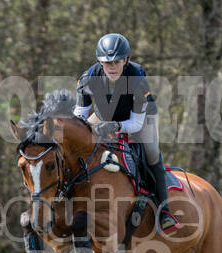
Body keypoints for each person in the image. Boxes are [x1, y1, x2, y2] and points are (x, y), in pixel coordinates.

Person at [73, 33, 180, 235]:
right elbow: (80, 115)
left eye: (117, 62)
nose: (112, 67)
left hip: (140, 119)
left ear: (126, 60)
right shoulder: (88, 79)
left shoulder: (138, 81)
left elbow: (136, 123)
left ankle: (165, 211)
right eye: (107, 63)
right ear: (100, 62)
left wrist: (114, 127)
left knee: (151, 152)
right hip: (104, 114)